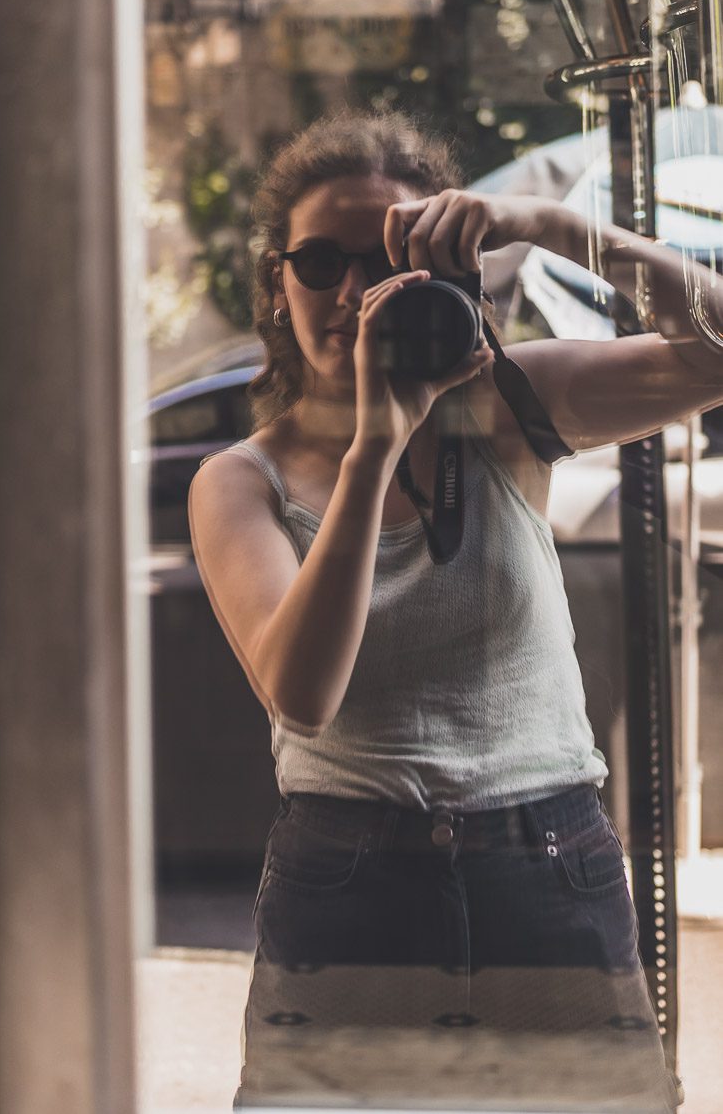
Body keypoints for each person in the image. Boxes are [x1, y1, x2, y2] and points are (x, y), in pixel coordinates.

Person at [187, 110, 720, 1109]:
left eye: (386, 259)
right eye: (320, 261)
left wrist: (546, 226)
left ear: (446, 274)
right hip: (349, 887)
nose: (352, 293)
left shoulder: (510, 407)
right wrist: (373, 447)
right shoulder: (239, 484)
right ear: (276, 283)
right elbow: (304, 693)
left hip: (548, 868)